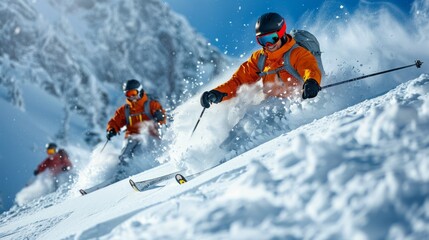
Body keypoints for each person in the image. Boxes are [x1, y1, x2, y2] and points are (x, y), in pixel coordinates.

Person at [200, 12, 323, 152]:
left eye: (272, 38)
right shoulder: (259, 58)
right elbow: (240, 80)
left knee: (260, 123)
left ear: (281, 33)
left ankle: (236, 155)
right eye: (263, 40)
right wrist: (217, 93)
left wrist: (312, 82)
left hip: (297, 102)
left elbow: (309, 68)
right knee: (246, 123)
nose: (269, 44)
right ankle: (220, 155)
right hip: (270, 103)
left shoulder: (297, 53)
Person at [106, 79, 166, 178]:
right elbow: (115, 121)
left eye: (133, 93)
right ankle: (121, 173)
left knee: (141, 151)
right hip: (132, 136)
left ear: (140, 91)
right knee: (125, 154)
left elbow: (162, 117)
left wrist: (160, 117)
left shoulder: (151, 104)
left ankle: (146, 169)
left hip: (150, 134)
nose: (131, 96)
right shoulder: (125, 110)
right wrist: (111, 129)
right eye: (128, 94)